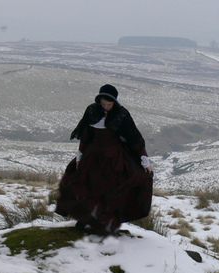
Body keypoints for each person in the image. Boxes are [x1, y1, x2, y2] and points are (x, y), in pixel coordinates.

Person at [55, 84, 153, 235]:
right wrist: (80, 155)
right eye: (103, 104)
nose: (106, 107)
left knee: (110, 190)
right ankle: (84, 218)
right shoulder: (91, 110)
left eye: (109, 104)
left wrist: (144, 159)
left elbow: (134, 137)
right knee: (86, 185)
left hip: (113, 157)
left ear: (115, 102)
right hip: (92, 155)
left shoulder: (121, 114)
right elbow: (85, 135)